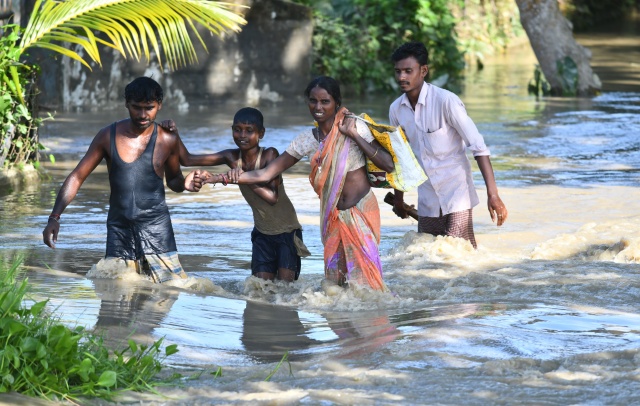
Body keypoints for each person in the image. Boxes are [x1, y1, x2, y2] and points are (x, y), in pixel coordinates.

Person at [219, 76, 395, 291]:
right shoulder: (307, 140)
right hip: (332, 217)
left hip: (360, 211)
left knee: (368, 285)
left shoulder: (355, 126)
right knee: (336, 286)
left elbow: (388, 164)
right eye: (313, 101)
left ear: (336, 102)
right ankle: (342, 324)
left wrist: (354, 135)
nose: (318, 107)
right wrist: (219, 178)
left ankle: (374, 322)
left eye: (325, 101)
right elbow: (266, 174)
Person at [42, 76, 203, 283]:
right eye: (136, 107)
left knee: (168, 293)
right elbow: (77, 176)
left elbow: (174, 181)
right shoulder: (107, 136)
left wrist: (185, 185)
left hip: (157, 229)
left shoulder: (167, 139)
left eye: (149, 108)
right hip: (119, 229)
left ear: (159, 106)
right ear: (127, 104)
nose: (143, 114)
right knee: (114, 299)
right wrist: (54, 217)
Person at [165, 107, 309, 282]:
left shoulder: (269, 155)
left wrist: (238, 178)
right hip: (262, 232)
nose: (242, 135)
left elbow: (272, 197)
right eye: (237, 129)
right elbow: (187, 159)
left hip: (287, 232)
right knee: (260, 290)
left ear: (261, 133)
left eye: (249, 131)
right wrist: (175, 134)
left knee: (286, 291)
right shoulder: (231, 157)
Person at [389, 42, 508, 249]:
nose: (402, 77)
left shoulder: (446, 101)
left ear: (423, 71)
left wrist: (493, 194)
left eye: (408, 71)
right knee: (428, 258)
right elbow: (400, 157)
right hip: (426, 197)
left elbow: (478, 147)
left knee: (459, 257)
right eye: (398, 72)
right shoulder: (396, 110)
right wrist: (399, 199)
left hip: (456, 193)